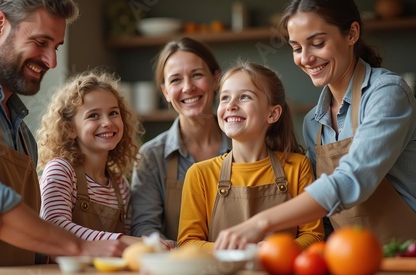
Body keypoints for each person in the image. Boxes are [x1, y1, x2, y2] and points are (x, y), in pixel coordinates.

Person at [0, 0, 126, 273]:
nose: (52, 61)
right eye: (41, 42)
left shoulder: (23, 132)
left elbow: (26, 238)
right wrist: (81, 247)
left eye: (56, 47)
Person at [214, 0, 416, 250]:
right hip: (349, 260)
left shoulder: (387, 94)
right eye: (296, 47)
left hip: (405, 257)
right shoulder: (314, 123)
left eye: (318, 43)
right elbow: (326, 217)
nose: (306, 58)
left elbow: (352, 179)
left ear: (352, 33)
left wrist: (261, 222)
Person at [177, 60, 323, 251]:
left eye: (244, 97)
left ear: (272, 114)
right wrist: (240, 252)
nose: (231, 105)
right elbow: (187, 243)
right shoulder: (199, 174)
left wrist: (273, 251)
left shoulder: (297, 166)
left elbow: (313, 236)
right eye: (225, 98)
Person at [130, 37, 232, 246]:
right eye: (176, 80)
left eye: (196, 75)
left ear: (216, 80)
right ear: (166, 92)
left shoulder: (247, 146)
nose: (188, 87)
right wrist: (162, 245)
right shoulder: (151, 157)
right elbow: (145, 227)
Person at [36, 69, 145, 247]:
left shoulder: (120, 186)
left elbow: (128, 241)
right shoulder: (61, 170)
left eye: (113, 113)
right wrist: (120, 240)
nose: (107, 122)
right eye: (93, 115)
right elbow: (54, 225)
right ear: (70, 129)